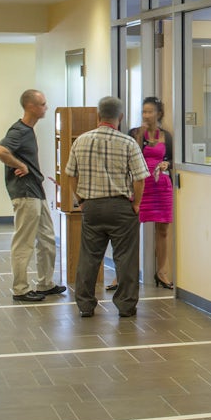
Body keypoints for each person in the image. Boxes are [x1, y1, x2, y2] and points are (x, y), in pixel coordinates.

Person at [66, 95, 150, 318]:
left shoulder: (81, 140)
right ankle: (125, 306)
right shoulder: (128, 142)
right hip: (121, 207)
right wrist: (137, 205)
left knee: (89, 257)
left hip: (91, 206)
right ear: (120, 117)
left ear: (98, 115)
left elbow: (71, 175)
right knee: (126, 258)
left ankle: (85, 305)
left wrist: (81, 200)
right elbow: (140, 179)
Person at [0, 89, 62, 302]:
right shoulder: (20, 130)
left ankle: (45, 283)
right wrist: (20, 164)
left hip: (36, 191)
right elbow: (0, 151)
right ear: (31, 106)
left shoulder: (29, 131)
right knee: (24, 241)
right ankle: (20, 289)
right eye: (43, 104)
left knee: (48, 239)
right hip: (25, 193)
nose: (46, 107)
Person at [129, 96, 175, 290]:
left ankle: (162, 271)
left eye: (150, 111)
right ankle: (126, 273)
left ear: (159, 113)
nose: (146, 115)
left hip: (161, 184)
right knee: (130, 229)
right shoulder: (134, 134)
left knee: (163, 230)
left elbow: (172, 159)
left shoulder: (167, 136)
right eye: (144, 111)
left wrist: (167, 164)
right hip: (140, 184)